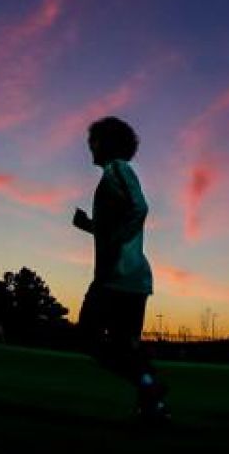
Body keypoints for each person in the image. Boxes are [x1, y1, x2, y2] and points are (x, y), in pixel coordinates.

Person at [71, 116, 168, 422]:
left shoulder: (118, 169)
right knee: (126, 347)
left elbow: (140, 207)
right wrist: (90, 226)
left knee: (88, 337)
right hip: (131, 277)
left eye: (94, 140)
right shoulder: (112, 175)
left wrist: (114, 241)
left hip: (117, 275)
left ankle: (148, 385)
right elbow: (119, 221)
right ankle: (152, 400)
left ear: (106, 142)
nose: (90, 146)